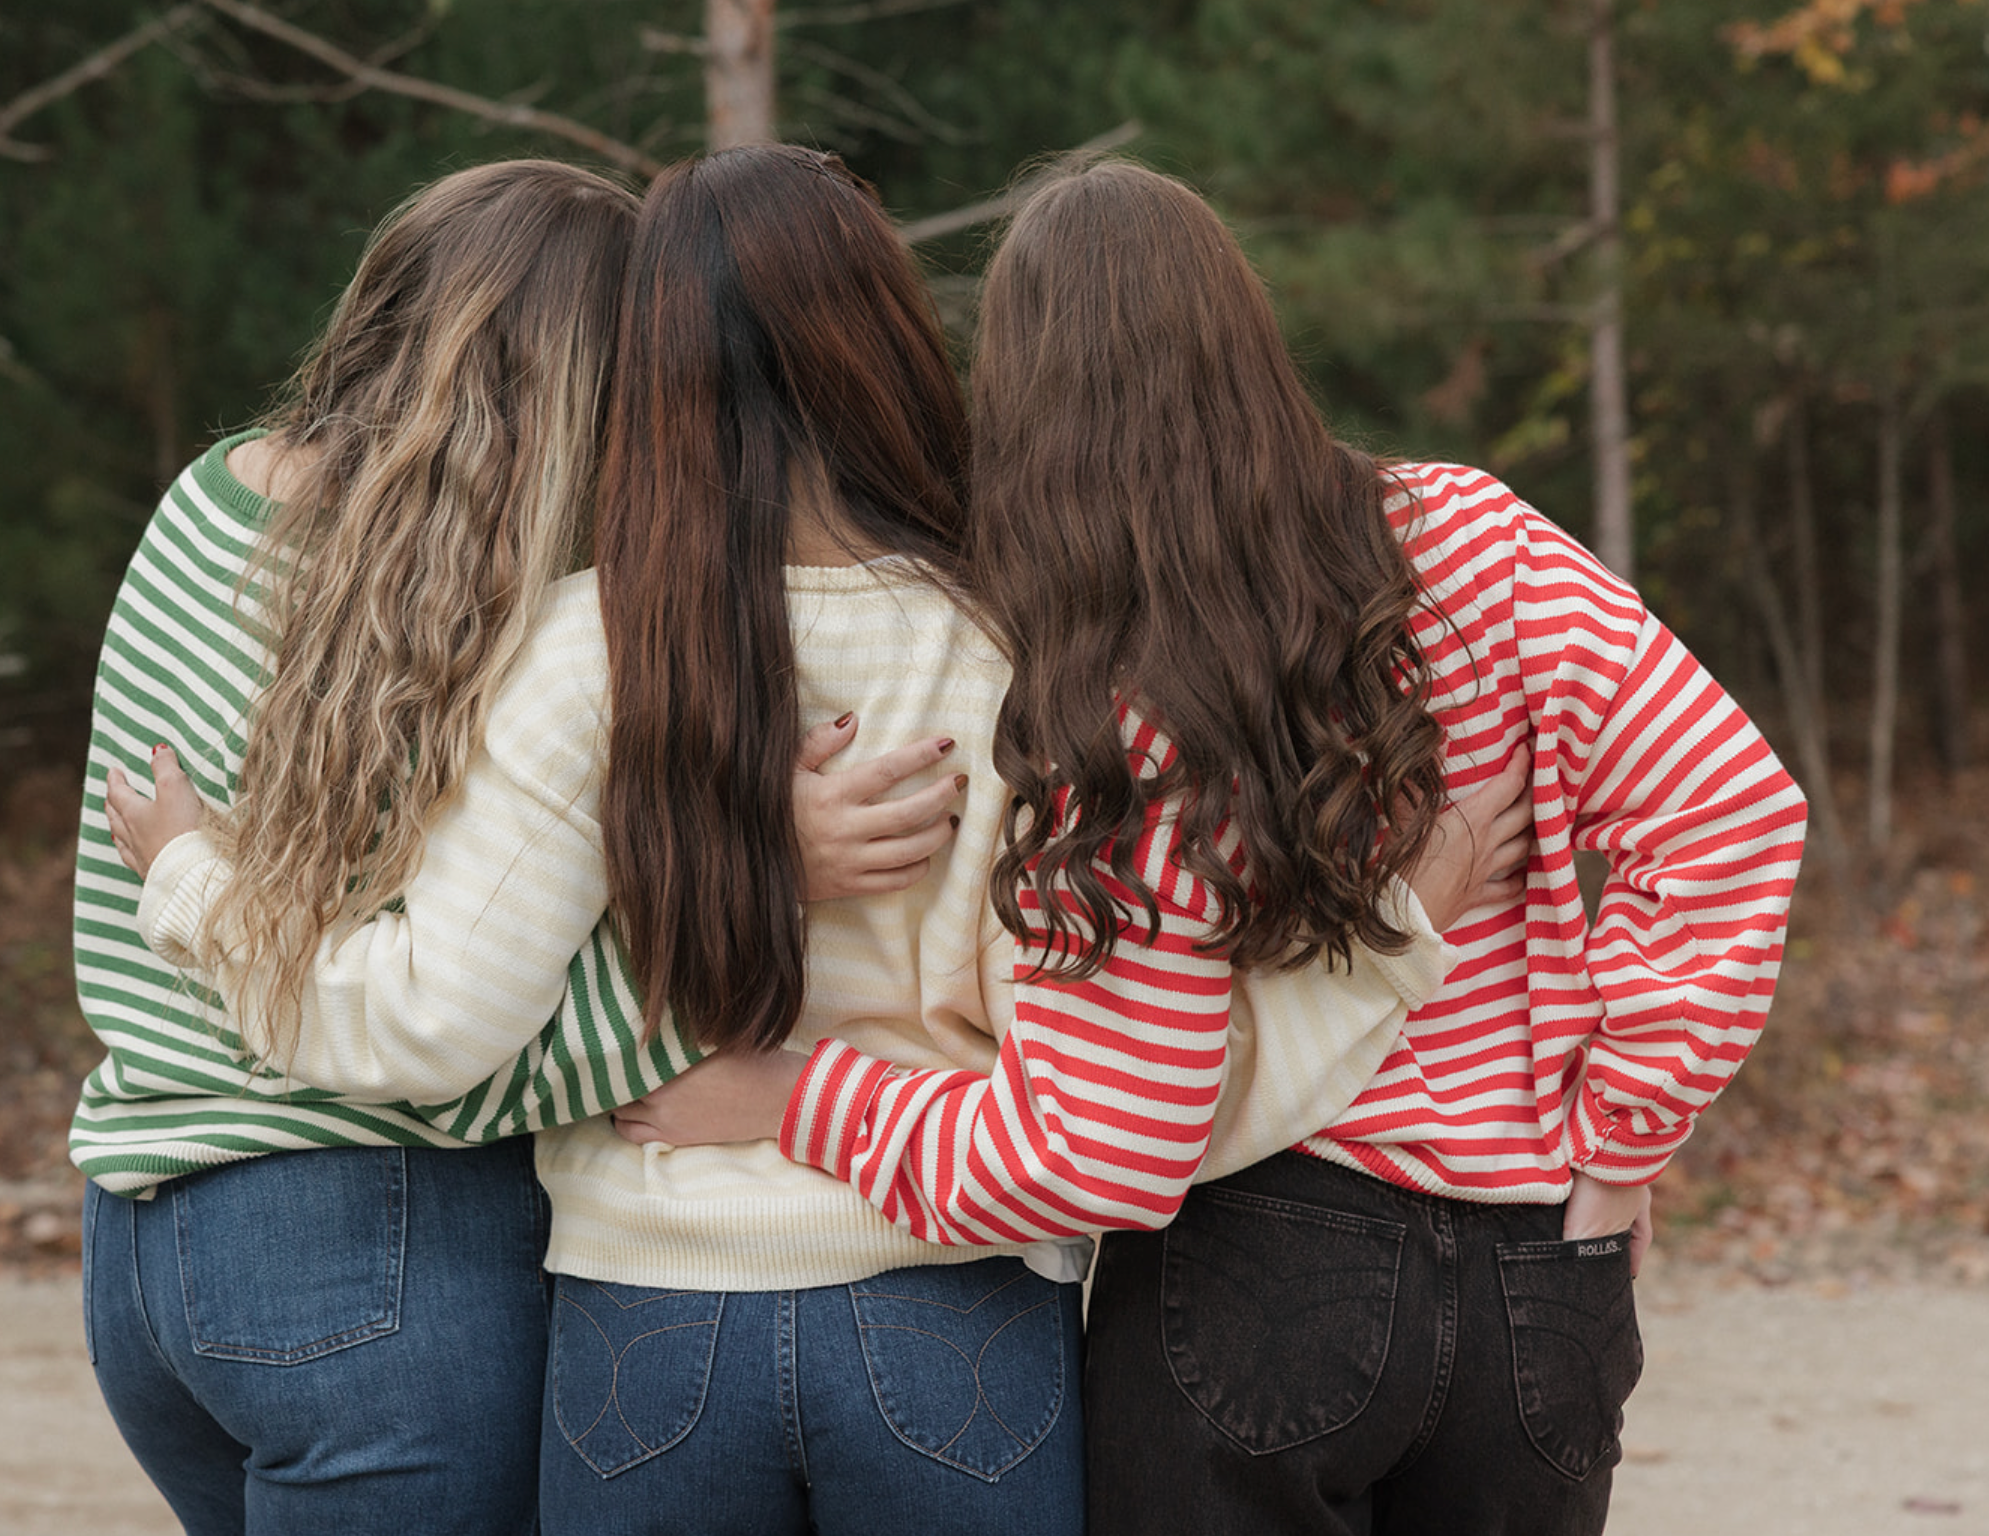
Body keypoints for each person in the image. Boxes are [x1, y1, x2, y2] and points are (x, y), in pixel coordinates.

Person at [113, 145, 1520, 1535]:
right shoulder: (1033, 657)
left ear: (643, 379)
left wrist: (189, 883)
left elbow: (429, 1017)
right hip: (956, 1322)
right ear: (894, 344)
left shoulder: (584, 652)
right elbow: (1147, 1116)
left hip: (650, 1325)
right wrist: (1388, 958)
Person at [621, 160, 1808, 1536]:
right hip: (1535, 1274)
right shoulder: (1479, 542)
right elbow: (1729, 810)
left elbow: (1097, 1152)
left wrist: (799, 1098)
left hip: (1259, 1280)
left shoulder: (1109, 686)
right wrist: (1618, 1143)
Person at [72, 159, 938, 1536]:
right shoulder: (491, 623)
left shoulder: (206, 503)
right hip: (372, 1247)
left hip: (142, 1247)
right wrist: (748, 888)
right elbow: (450, 1038)